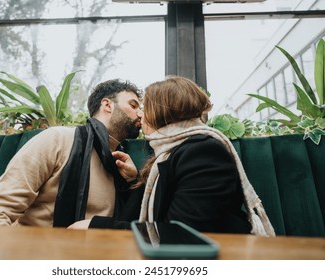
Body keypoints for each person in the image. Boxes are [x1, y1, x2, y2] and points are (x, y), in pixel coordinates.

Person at [70, 76, 275, 237]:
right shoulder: (169, 153)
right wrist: (135, 180)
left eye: (145, 107)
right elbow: (148, 214)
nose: (140, 115)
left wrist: (95, 226)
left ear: (164, 112)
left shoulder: (203, 152)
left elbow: (184, 234)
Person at [0, 79, 144, 228]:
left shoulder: (123, 166)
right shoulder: (58, 139)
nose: (140, 114)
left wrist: (132, 182)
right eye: (133, 105)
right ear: (107, 105)